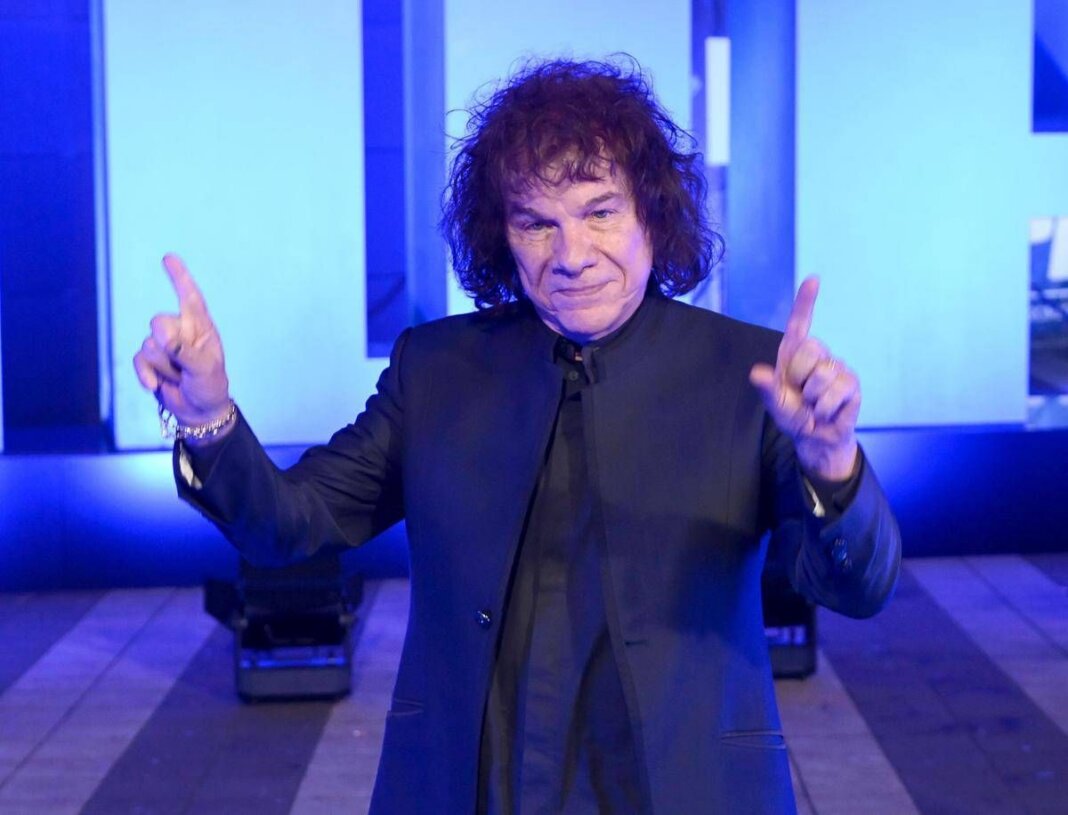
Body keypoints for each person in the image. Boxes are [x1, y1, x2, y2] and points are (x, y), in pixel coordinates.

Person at [134, 58, 900, 814]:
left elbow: (858, 587)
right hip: (473, 787)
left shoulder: (749, 373)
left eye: (600, 213)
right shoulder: (437, 369)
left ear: (653, 216)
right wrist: (207, 415)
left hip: (685, 786)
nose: (572, 256)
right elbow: (289, 525)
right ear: (502, 234)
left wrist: (832, 463)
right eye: (537, 223)